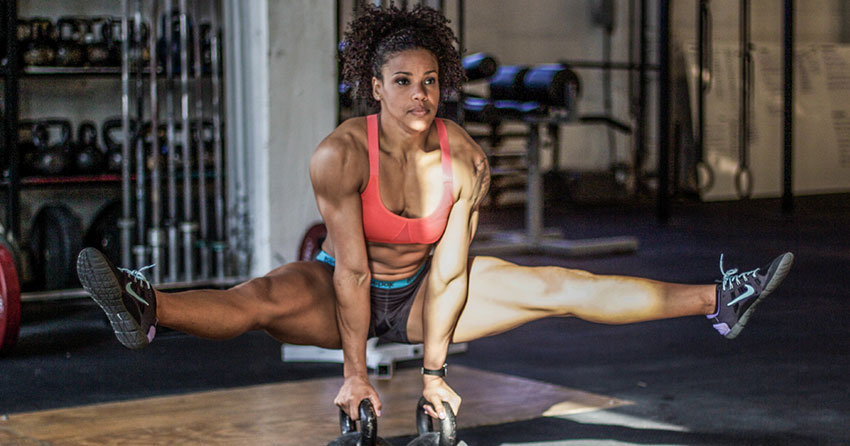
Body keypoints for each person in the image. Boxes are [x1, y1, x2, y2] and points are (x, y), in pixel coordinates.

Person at [76, 4, 794, 423]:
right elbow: (351, 271)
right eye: (402, 82)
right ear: (372, 86)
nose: (420, 95)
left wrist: (432, 371)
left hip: (423, 296)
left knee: (555, 285)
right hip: (340, 290)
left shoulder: (466, 161)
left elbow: (452, 275)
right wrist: (355, 375)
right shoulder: (339, 156)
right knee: (260, 297)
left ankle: (719, 298)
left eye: (429, 81)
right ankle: (147, 307)